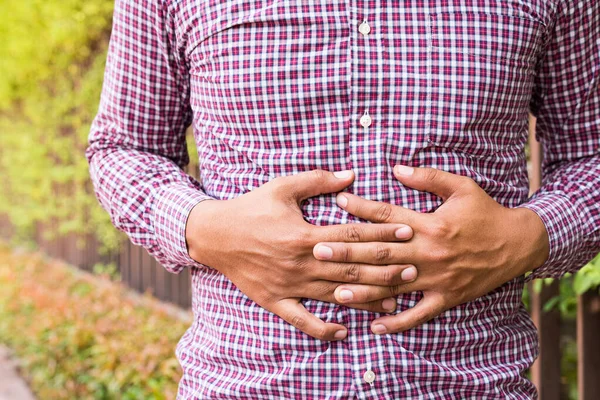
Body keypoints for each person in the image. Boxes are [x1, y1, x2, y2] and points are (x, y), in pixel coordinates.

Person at [86, 0, 600, 398]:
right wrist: (204, 227)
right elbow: (124, 146)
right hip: (245, 383)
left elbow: (590, 154)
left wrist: (528, 237)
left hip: (473, 382)